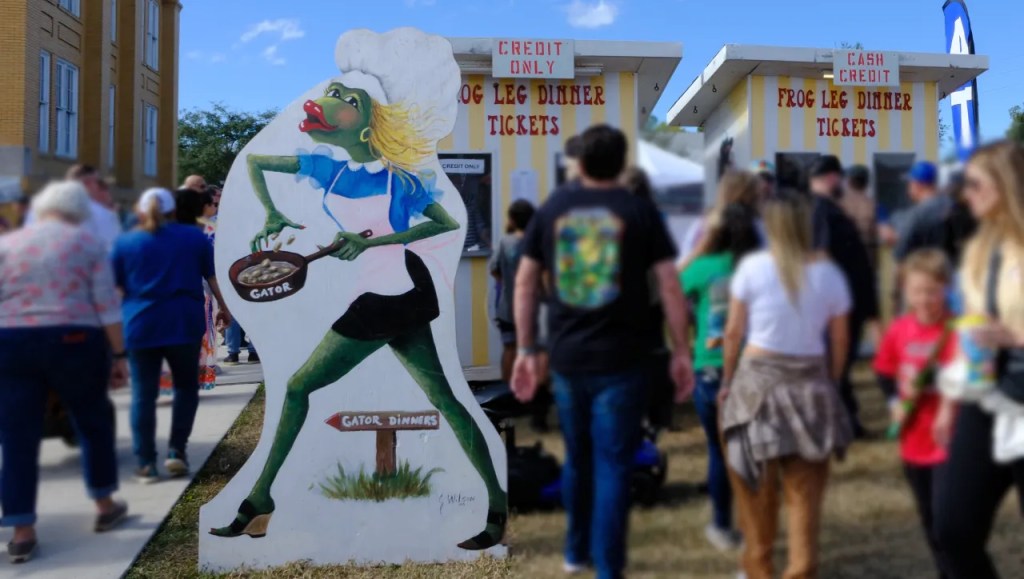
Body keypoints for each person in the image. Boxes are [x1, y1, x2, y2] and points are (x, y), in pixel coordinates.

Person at [209, 49, 507, 550]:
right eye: (332, 93)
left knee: (300, 387)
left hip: (388, 299)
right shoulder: (330, 170)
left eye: (344, 99)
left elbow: (445, 223)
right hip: (396, 296)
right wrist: (272, 214)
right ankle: (497, 505)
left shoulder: (399, 179)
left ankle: (260, 499)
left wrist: (374, 242)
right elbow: (257, 163)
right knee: (447, 400)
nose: (329, 101)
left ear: (367, 125)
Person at [511, 124, 695, 579]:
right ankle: (608, 569)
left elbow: (525, 282)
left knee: (579, 457)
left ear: (581, 163)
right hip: (624, 359)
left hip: (568, 357)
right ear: (619, 161)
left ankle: (576, 553)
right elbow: (670, 285)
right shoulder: (639, 210)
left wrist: (527, 348)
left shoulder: (553, 208)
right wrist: (681, 350)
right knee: (613, 463)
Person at [720, 191, 853, 579]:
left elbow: (733, 333)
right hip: (810, 384)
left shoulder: (752, 268)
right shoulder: (829, 275)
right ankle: (800, 569)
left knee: (754, 492)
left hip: (755, 382)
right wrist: (833, 380)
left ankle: (758, 568)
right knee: (805, 497)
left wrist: (727, 380)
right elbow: (840, 340)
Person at [0, 181, 129, 564]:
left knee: (16, 436)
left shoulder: (8, 243)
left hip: (13, 340)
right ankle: (105, 504)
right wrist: (119, 354)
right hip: (74, 338)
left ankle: (22, 530)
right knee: (92, 421)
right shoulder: (88, 244)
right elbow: (105, 304)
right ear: (79, 212)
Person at [933, 141, 1024, 579]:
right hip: (988, 397)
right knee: (952, 529)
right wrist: (948, 404)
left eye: (974, 184)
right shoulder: (979, 250)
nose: (965, 194)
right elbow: (968, 329)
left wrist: (1015, 336)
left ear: (1006, 186)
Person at [113, 188, 231, 483]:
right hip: (183, 322)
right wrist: (225, 308)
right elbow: (212, 276)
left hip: (140, 324)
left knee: (143, 394)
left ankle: (146, 463)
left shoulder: (125, 242)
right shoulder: (194, 237)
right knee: (185, 388)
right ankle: (177, 451)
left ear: (140, 211)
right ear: (173, 211)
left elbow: (115, 290)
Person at [681, 200, 761, 552]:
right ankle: (755, 525)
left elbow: (671, 289)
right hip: (752, 365)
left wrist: (698, 250)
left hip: (710, 366)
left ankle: (721, 524)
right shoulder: (759, 268)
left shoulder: (704, 267)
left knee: (718, 450)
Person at [873, 249, 956, 578]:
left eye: (932, 291)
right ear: (905, 291)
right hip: (913, 440)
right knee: (930, 519)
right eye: (916, 291)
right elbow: (884, 372)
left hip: (950, 441)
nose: (924, 300)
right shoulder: (899, 329)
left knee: (949, 521)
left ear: (947, 288)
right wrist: (894, 402)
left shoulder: (956, 330)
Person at [809, 155, 878, 437]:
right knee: (837, 363)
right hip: (840, 305)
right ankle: (836, 423)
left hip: (850, 300)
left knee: (842, 364)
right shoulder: (820, 209)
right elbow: (821, 256)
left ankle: (846, 421)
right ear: (832, 178)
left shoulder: (828, 208)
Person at [173, 188, 222, 390]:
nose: (216, 208)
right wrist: (224, 304)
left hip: (175, 292)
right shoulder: (207, 229)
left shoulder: (165, 231)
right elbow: (211, 270)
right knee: (202, 331)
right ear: (204, 206)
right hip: (201, 288)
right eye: (214, 204)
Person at [679, 171, 764, 269]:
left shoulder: (703, 224)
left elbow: (685, 258)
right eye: (757, 195)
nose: (761, 198)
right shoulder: (758, 226)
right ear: (751, 196)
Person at [490, 199, 536, 381]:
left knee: (510, 349)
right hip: (532, 308)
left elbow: (494, 269)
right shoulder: (536, 241)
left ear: (513, 220)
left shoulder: (505, 242)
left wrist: (507, 281)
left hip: (507, 307)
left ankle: (508, 389)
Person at [891, 162, 952, 262]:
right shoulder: (950, 205)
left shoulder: (917, 214)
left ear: (917, 185)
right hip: (950, 267)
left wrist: (894, 238)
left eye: (910, 183)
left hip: (925, 267)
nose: (908, 188)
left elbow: (900, 254)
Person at [840, 165, 878, 268]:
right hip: (867, 262)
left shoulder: (839, 205)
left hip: (845, 262)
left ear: (849, 182)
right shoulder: (874, 206)